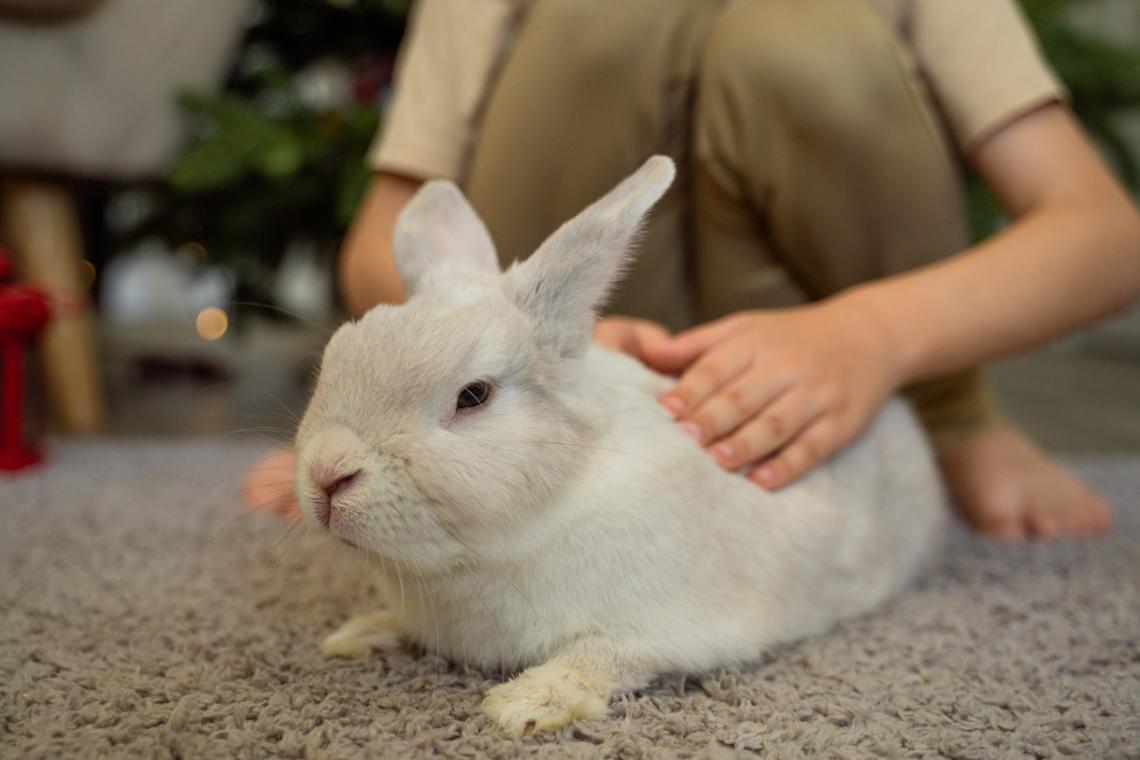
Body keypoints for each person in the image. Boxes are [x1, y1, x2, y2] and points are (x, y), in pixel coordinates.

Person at [247, 0, 1140, 540]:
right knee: (608, 20)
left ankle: (943, 418)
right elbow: (384, 235)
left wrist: (868, 337)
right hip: (567, 355)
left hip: (824, 342)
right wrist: (508, 346)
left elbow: (1106, 235)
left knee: (804, 41)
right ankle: (496, 431)